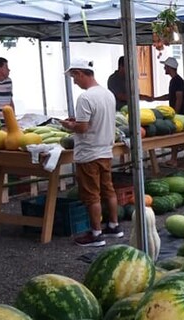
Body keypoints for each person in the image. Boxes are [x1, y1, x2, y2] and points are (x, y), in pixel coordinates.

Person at [60, 58, 123, 247]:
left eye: (74, 77)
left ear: (80, 73)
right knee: (108, 190)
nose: (74, 81)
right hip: (105, 150)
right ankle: (114, 225)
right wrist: (78, 122)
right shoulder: (108, 94)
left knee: (91, 195)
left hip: (88, 152)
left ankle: (96, 234)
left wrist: (70, 125)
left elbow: (83, 128)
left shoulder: (86, 98)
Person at [154, 57, 184, 167]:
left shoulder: (177, 81)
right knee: (176, 138)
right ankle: (174, 159)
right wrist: (155, 98)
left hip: (181, 113)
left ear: (170, 68)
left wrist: (175, 114)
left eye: (165, 66)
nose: (164, 68)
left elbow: (179, 98)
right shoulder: (174, 81)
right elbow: (171, 96)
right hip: (178, 113)